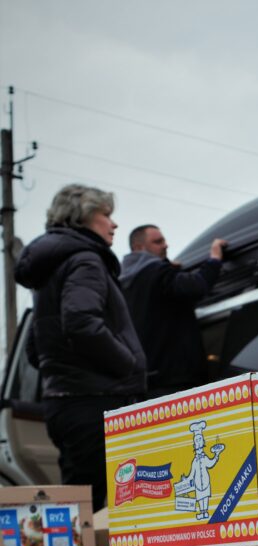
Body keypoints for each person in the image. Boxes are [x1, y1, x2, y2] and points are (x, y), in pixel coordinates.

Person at [15, 184, 147, 512]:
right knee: (92, 510)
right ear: (83, 218)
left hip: (64, 403)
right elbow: (81, 322)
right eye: (106, 215)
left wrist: (59, 370)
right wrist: (128, 364)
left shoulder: (52, 268)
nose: (113, 224)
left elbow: (36, 345)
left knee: (77, 504)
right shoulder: (85, 260)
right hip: (94, 402)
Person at [120, 224, 227, 396]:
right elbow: (197, 286)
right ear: (139, 248)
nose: (165, 245)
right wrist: (214, 259)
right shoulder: (156, 272)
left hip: (147, 382)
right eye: (158, 241)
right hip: (178, 380)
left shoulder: (125, 285)